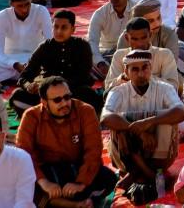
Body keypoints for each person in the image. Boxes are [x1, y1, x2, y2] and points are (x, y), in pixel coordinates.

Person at [16, 75, 118, 207]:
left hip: (78, 168)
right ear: (44, 102)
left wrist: (80, 183)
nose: (64, 103)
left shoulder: (85, 111)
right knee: (23, 184)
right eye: (57, 100)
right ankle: (76, 204)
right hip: (47, 172)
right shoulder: (31, 116)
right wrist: (43, 182)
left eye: (67, 97)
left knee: (108, 179)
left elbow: (93, 151)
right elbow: (24, 153)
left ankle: (59, 202)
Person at [100, 50, 184, 201]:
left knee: (166, 119)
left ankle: (135, 174)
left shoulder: (164, 88)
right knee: (119, 120)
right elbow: (105, 118)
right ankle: (151, 175)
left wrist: (149, 122)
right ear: (126, 71)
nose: (141, 73)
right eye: (135, 69)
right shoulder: (118, 91)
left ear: (151, 68)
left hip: (160, 157)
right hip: (127, 157)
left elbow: (181, 113)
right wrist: (139, 131)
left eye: (145, 68)